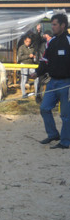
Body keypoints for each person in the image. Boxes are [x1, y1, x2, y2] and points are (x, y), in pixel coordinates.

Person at [30, 13, 70, 149]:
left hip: (66, 83)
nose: (52, 27)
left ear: (63, 25)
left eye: (54, 24)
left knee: (65, 115)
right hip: (53, 82)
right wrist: (37, 72)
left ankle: (65, 142)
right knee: (44, 108)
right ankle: (53, 134)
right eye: (52, 24)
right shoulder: (51, 42)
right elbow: (44, 61)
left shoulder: (69, 41)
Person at [17, 34, 38, 98]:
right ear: (24, 41)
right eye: (27, 41)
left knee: (36, 77)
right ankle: (24, 94)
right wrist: (28, 56)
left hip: (31, 64)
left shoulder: (32, 48)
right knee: (24, 79)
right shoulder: (21, 48)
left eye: (29, 42)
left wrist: (34, 57)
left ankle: (37, 93)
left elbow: (35, 58)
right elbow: (20, 58)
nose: (28, 43)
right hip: (24, 64)